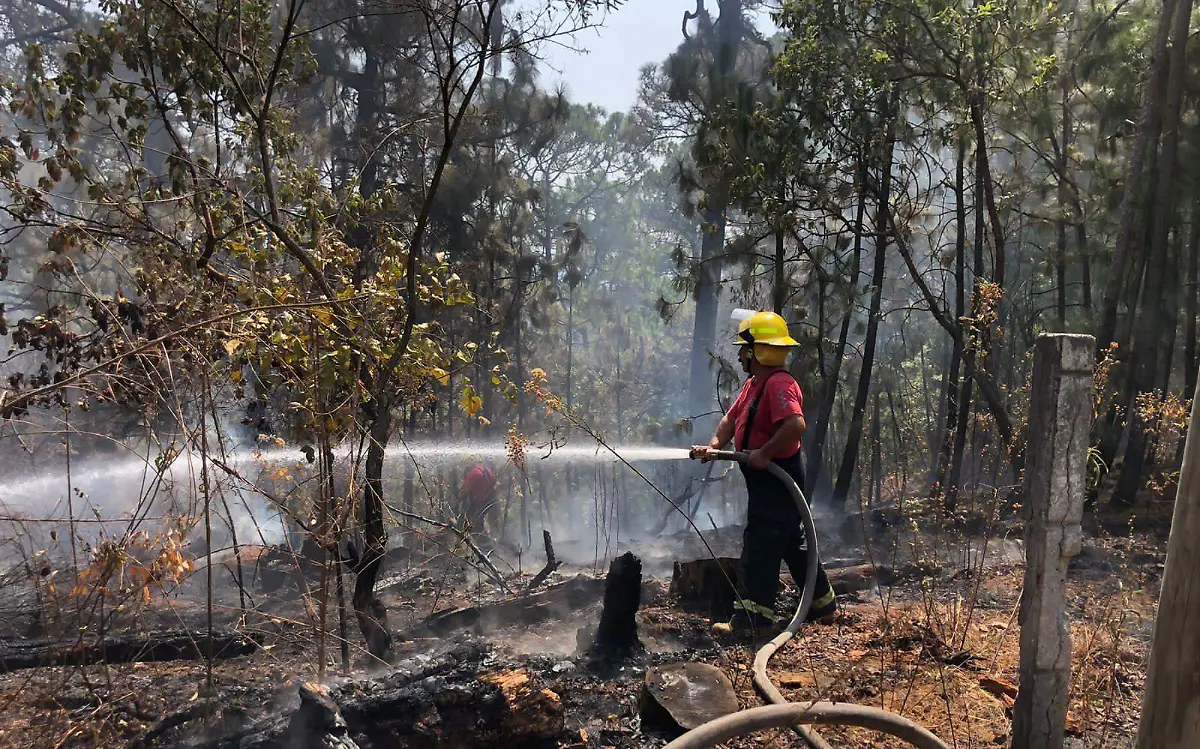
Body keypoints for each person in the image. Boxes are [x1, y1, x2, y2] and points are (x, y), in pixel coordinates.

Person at [691, 309, 837, 635]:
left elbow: (796, 425)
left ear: (759, 350)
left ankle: (751, 621)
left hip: (777, 476)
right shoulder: (754, 385)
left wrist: (765, 453)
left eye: (745, 348)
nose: (740, 354)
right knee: (788, 540)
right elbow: (731, 419)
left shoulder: (779, 384)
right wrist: (715, 445)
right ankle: (822, 604)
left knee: (760, 543)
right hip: (765, 477)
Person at [458, 460, 499, 534]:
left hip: (482, 501)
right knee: (476, 517)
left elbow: (465, 493)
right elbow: (494, 481)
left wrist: (457, 500)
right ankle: (480, 535)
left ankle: (481, 540)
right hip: (491, 499)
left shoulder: (471, 475)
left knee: (475, 520)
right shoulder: (484, 468)